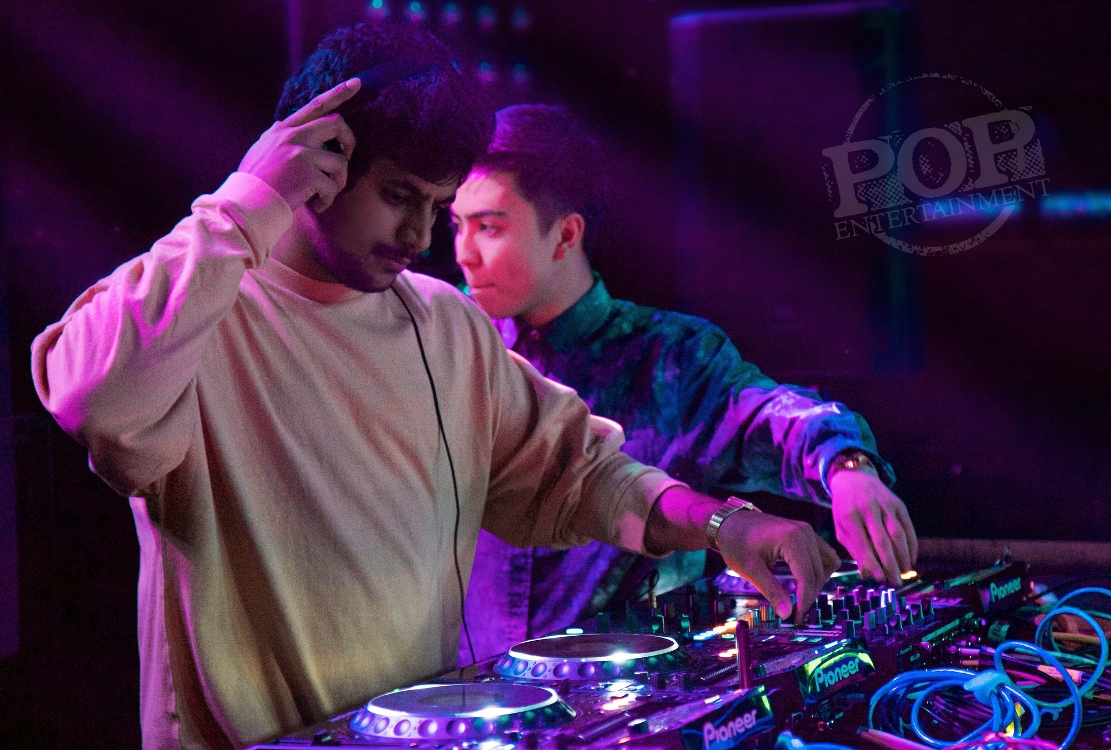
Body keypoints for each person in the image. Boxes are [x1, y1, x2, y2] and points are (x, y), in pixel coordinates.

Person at [31, 25, 839, 749]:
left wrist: (724, 524)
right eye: (398, 197)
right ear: (314, 160)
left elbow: (581, 473)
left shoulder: (444, 323)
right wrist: (244, 203)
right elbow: (92, 399)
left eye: (439, 206)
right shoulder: (198, 307)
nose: (421, 236)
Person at [451, 104, 918, 662]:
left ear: (566, 234)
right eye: (456, 225)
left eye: (489, 227)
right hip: (469, 696)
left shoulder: (670, 358)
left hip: (636, 697)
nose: (463, 253)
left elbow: (774, 417)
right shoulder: (458, 346)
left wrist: (848, 467)